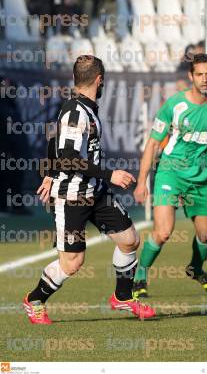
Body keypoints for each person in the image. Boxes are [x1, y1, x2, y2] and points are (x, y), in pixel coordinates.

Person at [24, 55, 155, 324]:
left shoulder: (84, 108)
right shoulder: (76, 112)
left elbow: (53, 141)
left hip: (95, 191)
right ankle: (35, 299)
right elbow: (69, 156)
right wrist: (110, 174)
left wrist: (49, 172)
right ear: (99, 80)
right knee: (72, 263)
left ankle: (122, 297)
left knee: (129, 239)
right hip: (72, 197)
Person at [132, 53, 207, 298]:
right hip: (170, 174)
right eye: (199, 74)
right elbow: (153, 144)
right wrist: (142, 181)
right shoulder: (175, 105)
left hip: (201, 179)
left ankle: (196, 269)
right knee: (164, 232)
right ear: (191, 77)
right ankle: (140, 276)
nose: (205, 79)